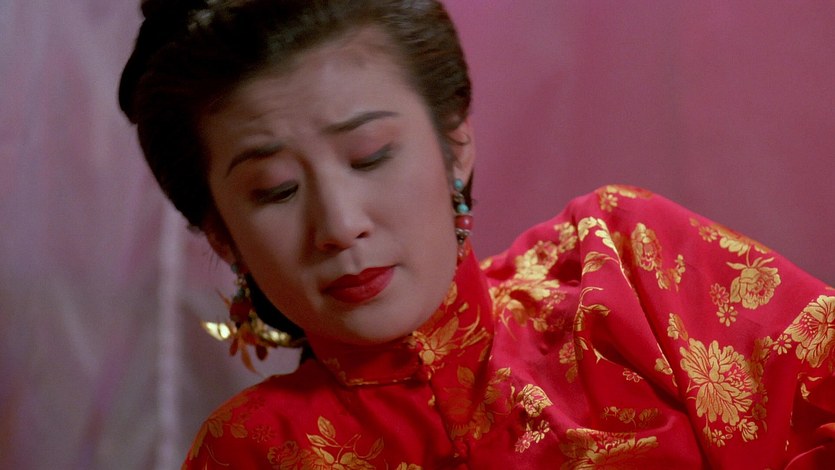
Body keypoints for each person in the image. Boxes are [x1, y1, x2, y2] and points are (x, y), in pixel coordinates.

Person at [119, 0, 834, 468]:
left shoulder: (622, 262)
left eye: (370, 156)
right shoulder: (251, 451)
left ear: (455, 143)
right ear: (222, 235)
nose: (339, 225)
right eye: (276, 190)